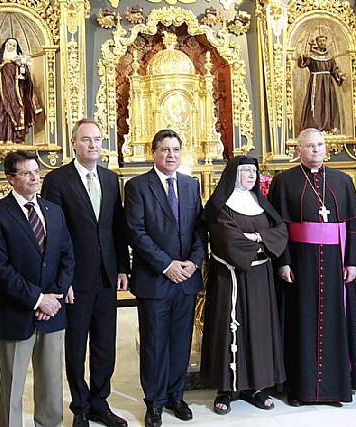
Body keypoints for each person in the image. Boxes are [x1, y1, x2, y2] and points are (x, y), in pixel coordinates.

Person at [41, 119, 130, 427]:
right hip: (74, 281)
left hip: (106, 276)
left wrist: (122, 267)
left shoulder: (109, 178)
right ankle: (79, 405)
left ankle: (99, 402)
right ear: (74, 144)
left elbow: (116, 227)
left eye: (97, 139)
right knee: (76, 346)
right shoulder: (57, 180)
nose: (93, 145)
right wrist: (61, 281)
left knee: (105, 344)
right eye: (86, 140)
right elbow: (55, 234)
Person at [269, 128, 356, 406]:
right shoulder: (284, 181)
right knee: (302, 322)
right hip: (301, 263)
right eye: (310, 146)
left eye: (320, 145)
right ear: (299, 150)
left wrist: (354, 261)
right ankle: (300, 388)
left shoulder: (342, 180)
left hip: (336, 264)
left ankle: (334, 388)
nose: (316, 150)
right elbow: (278, 228)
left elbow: (354, 226)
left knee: (335, 321)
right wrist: (283, 261)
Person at [0, 150, 74, 427]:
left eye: (36, 171)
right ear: (11, 179)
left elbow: (67, 256)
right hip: (16, 312)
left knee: (51, 383)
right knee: (12, 386)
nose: (34, 178)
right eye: (26, 173)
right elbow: (0, 269)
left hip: (53, 311)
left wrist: (54, 297)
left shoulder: (54, 211)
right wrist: (37, 300)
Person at [124, 129, 206, 427]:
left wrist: (194, 263)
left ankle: (176, 395)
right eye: (164, 149)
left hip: (186, 279)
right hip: (155, 279)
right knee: (155, 343)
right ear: (153, 152)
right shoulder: (137, 186)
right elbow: (136, 232)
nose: (171, 155)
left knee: (181, 341)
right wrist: (166, 265)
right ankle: (155, 402)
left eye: (175, 149)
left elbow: (200, 228)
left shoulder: (189, 184)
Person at [201, 155, 288, 415]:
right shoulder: (220, 205)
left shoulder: (261, 203)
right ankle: (225, 389)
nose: (252, 176)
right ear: (233, 174)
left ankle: (256, 387)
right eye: (246, 171)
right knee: (229, 329)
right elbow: (227, 240)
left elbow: (280, 232)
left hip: (260, 279)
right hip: (230, 278)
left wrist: (257, 237)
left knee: (258, 329)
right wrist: (259, 244)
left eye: (254, 171)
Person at [0, 38, 43, 144]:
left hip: (17, 95)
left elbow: (28, 82)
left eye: (13, 46)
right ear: (5, 46)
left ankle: (16, 139)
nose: (11, 47)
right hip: (1, 95)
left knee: (18, 114)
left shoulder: (20, 63)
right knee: (0, 115)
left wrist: (23, 75)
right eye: (9, 45)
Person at [297, 35, 345, 133]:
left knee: (328, 103)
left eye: (324, 41)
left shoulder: (330, 57)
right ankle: (316, 127)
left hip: (328, 85)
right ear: (317, 43)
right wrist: (303, 57)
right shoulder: (312, 56)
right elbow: (302, 64)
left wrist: (340, 75)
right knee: (317, 104)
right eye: (320, 41)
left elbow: (334, 69)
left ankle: (329, 127)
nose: (323, 43)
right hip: (316, 83)